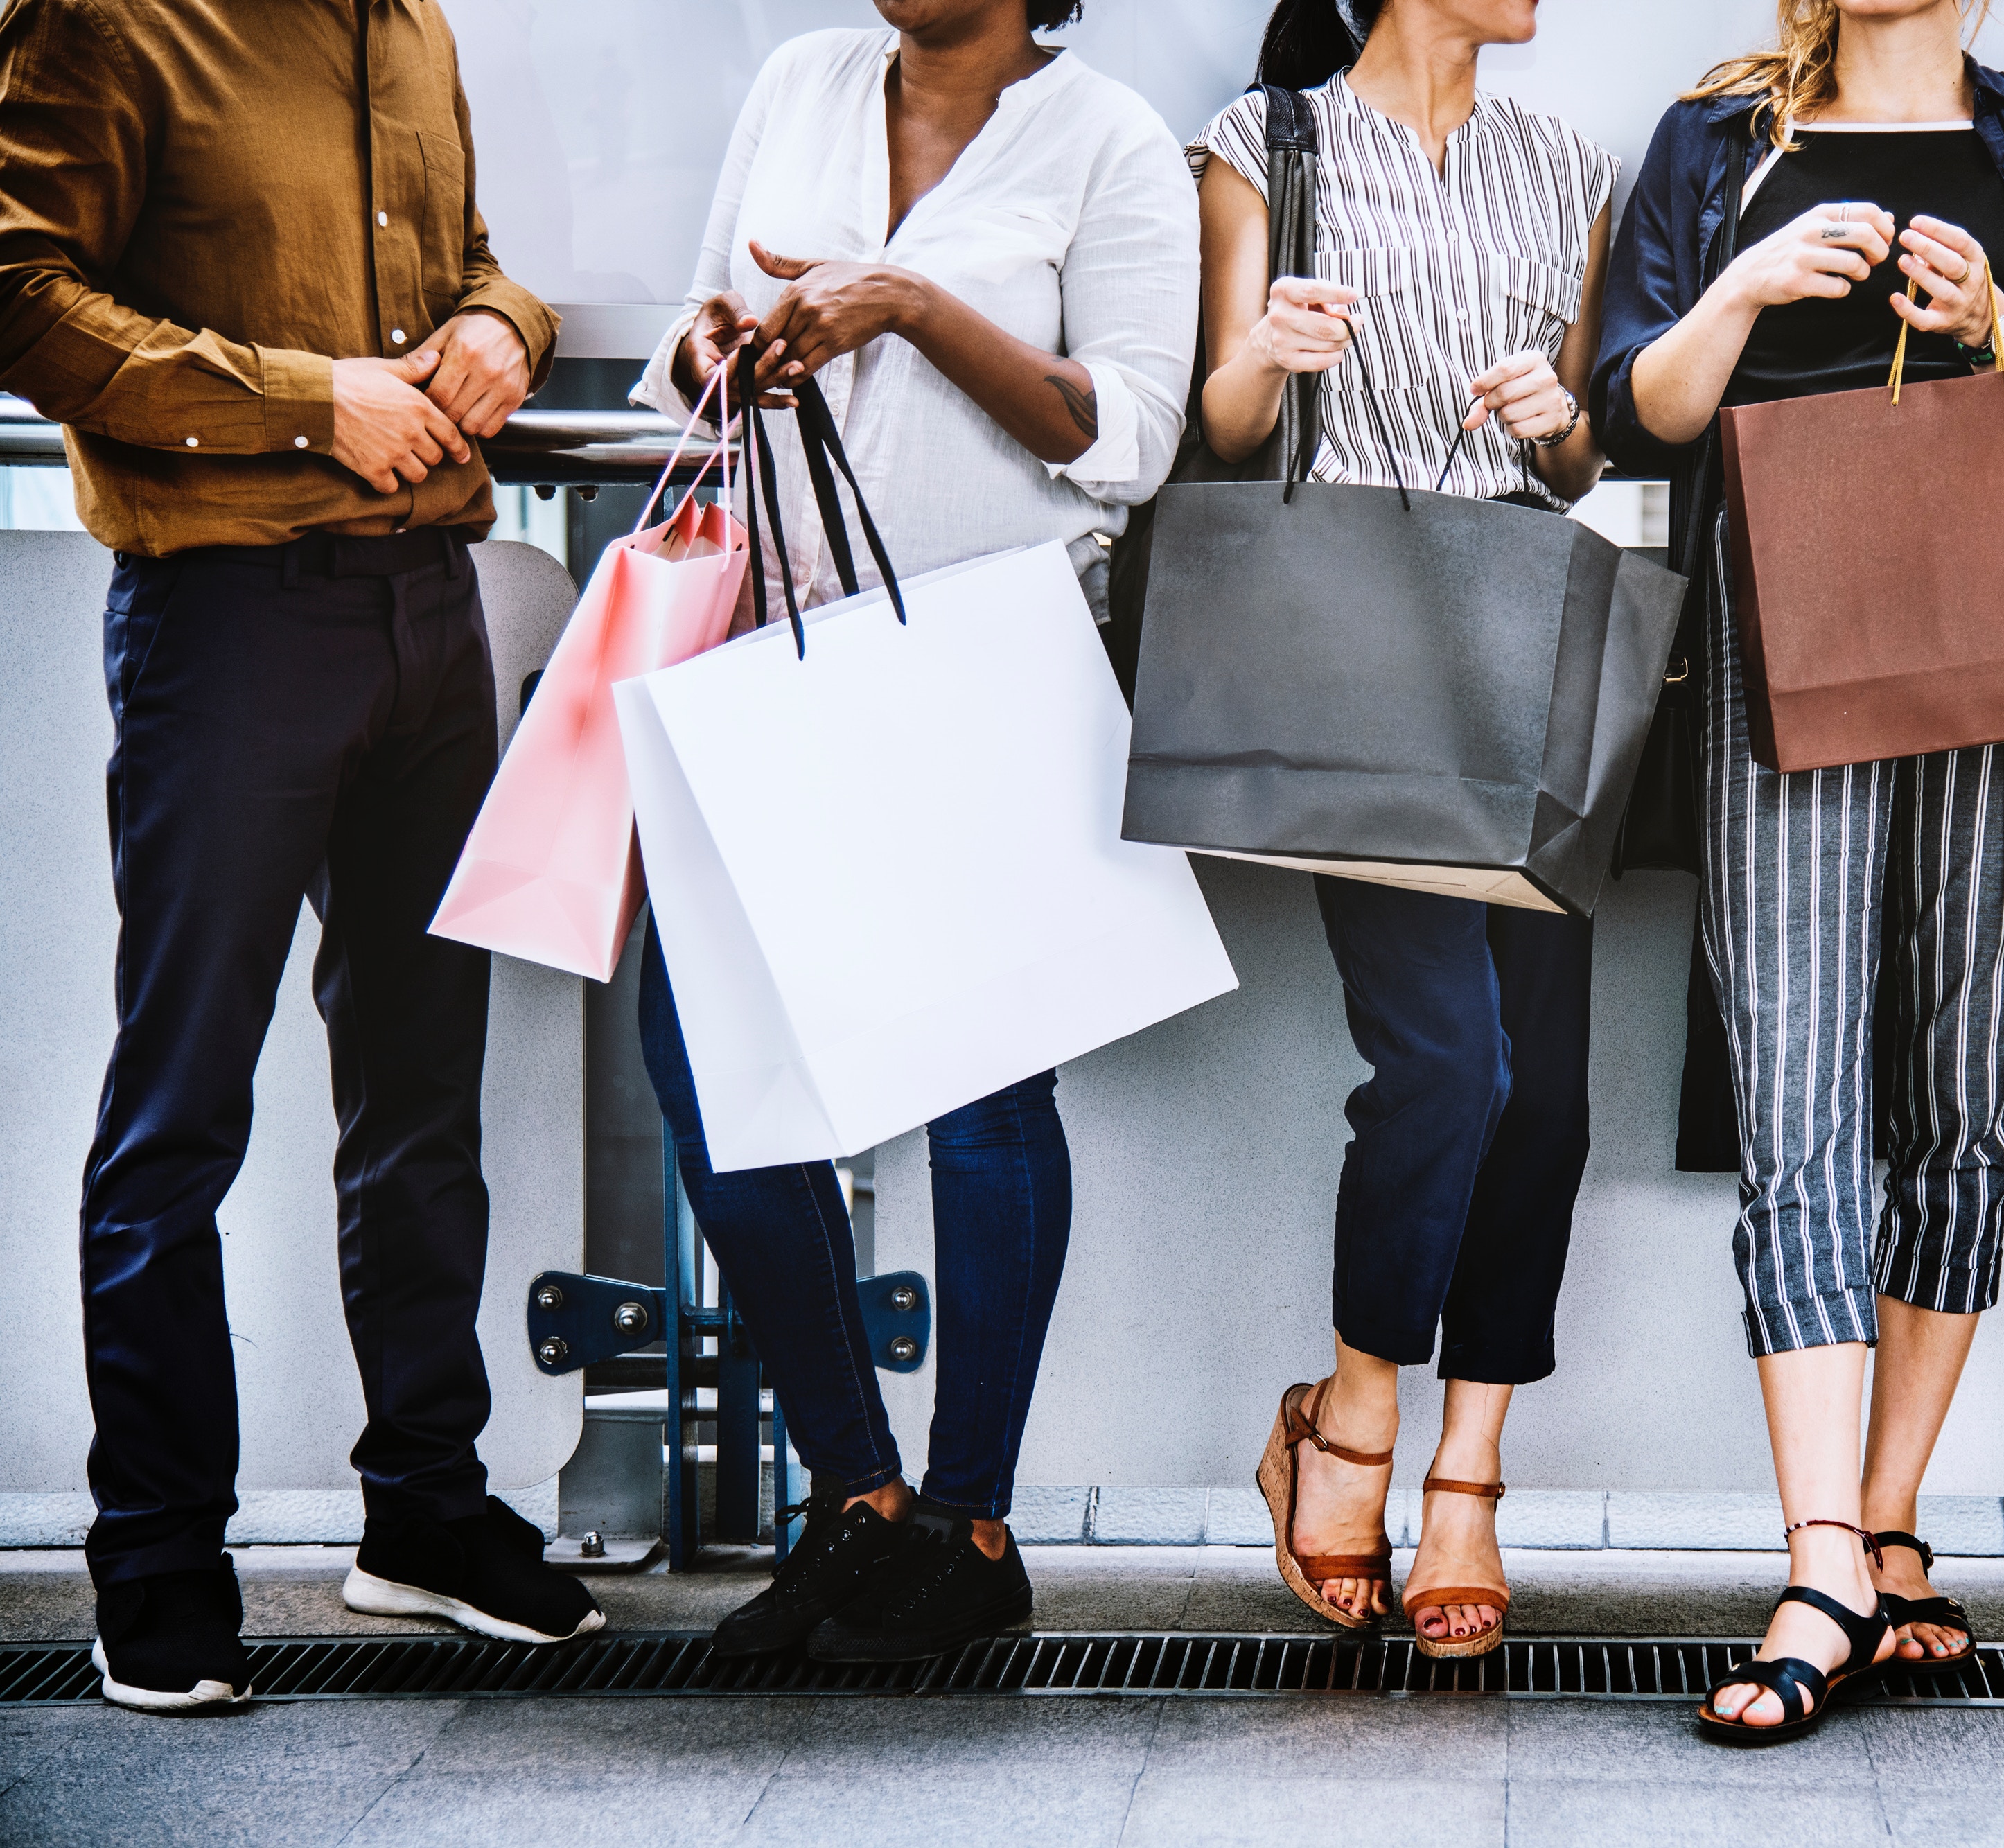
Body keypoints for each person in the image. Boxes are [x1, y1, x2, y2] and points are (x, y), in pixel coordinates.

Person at [0, 0, 599, 1713]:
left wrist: (503, 327)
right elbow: (16, 292)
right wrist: (296, 401)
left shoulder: (410, 26)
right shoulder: (108, 18)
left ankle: (422, 1508)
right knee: (179, 1103)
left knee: (422, 1094)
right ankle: (157, 1560)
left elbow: (478, 266)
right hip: (228, 627)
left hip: (431, 618)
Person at [1594, 0, 2004, 1738]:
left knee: (1960, 1088)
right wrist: (1744, 290)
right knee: (1799, 1086)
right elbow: (1633, 417)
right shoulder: (1716, 142)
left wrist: (1997, 322)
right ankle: (1819, 1553)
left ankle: (1889, 1517)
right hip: (1779, 640)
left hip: (2001, 648)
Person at [626, 0, 1197, 1662]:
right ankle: (857, 1498)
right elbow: (686, 323)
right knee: (710, 1064)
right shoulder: (801, 78)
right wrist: (717, 347)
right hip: (770, 649)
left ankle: (969, 1522)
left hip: (991, 659)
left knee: (978, 1094)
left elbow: (1130, 437)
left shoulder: (1106, 142)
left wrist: (906, 305)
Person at [1197, 0, 1616, 1657]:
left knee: (1552, 1091)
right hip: (1350, 644)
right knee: (1450, 1065)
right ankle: (1351, 1401)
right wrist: (1267, 358)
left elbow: (1584, 457)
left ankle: (1468, 1470)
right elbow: (1224, 431)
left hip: (1520, 639)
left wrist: (1549, 418)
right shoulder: (1261, 144)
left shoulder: (1567, 162)